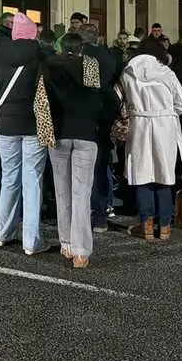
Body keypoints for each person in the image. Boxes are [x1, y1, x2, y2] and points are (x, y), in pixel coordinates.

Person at [0, 13, 50, 255]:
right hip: (33, 125)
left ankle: (3, 233)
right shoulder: (42, 56)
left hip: (6, 125)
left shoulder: (1, 55)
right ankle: (31, 241)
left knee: (9, 178)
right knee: (32, 181)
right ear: (33, 34)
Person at [44, 33, 104, 268]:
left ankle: (66, 243)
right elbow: (98, 99)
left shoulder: (49, 66)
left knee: (62, 190)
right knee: (81, 193)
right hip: (86, 132)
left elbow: (42, 101)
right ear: (81, 49)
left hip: (59, 132)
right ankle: (81, 251)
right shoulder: (90, 65)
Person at [121, 37, 182, 241]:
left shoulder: (128, 72)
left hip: (139, 124)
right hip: (164, 125)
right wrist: (167, 111)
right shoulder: (166, 72)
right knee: (164, 174)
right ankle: (165, 226)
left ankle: (147, 225)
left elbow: (122, 99)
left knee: (141, 174)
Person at [78, 24, 119, 231]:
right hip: (104, 115)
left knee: (81, 168)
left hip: (82, 116)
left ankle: (82, 213)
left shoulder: (79, 58)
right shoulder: (108, 58)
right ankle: (101, 213)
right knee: (102, 166)